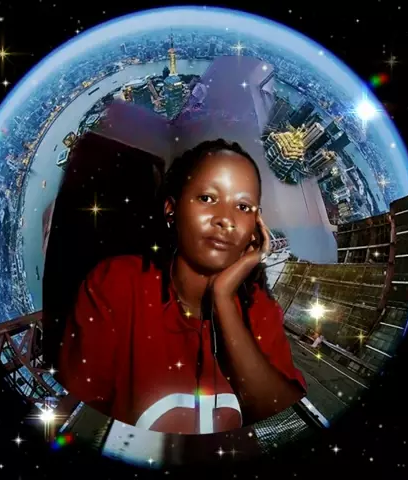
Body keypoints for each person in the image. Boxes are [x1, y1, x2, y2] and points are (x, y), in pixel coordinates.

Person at [56, 139, 306, 435]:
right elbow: (78, 422)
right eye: (207, 198)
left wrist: (223, 299)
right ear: (171, 210)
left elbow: (282, 418)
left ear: (256, 227)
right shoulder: (116, 283)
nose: (226, 220)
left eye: (243, 206)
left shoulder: (260, 308)